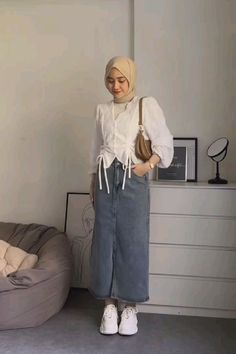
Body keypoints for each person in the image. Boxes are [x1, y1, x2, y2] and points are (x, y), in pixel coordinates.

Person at [89, 56, 173, 336]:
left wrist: (145, 167)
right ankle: (109, 305)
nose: (115, 86)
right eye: (110, 80)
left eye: (121, 80)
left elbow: (164, 143)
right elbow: (96, 148)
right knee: (103, 240)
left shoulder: (145, 106)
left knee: (133, 242)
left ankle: (131, 308)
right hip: (104, 180)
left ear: (131, 79)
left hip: (132, 180)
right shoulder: (102, 110)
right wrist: (92, 182)